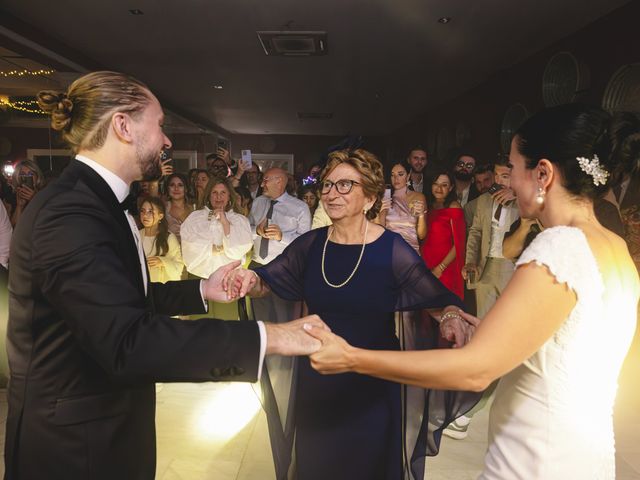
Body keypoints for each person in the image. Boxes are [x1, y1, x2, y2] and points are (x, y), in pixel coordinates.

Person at [5, 71, 324, 480]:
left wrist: (201, 290)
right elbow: (126, 340)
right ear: (122, 125)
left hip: (106, 429)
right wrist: (271, 336)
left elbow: (120, 303)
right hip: (76, 449)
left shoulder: (98, 202)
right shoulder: (70, 212)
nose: (167, 141)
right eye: (159, 125)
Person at [305, 104, 640, 480]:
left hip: (536, 460)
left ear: (542, 173)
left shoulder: (559, 247)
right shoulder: (613, 247)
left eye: (513, 169)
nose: (508, 182)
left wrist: (353, 358)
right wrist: (493, 331)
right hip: (585, 454)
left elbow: (476, 371)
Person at [225, 149, 479, 480]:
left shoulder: (390, 248)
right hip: (319, 379)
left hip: (373, 382)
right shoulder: (312, 244)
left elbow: (432, 296)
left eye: (345, 185)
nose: (331, 193)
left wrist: (449, 316)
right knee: (318, 464)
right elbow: (271, 280)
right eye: (328, 185)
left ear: (370, 197)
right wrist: (251, 279)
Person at [462, 159, 520, 317]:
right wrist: (470, 261)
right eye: (496, 175)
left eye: (505, 176)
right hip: (485, 264)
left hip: (512, 265)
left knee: (511, 318)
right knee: (483, 319)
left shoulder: (524, 200)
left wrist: (516, 193)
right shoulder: (484, 200)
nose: (499, 180)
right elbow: (475, 232)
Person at [420, 169, 466, 298]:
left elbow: (459, 243)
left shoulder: (454, 207)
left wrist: (441, 268)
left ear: (451, 187)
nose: (439, 188)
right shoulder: (427, 205)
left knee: (445, 309)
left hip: (445, 267)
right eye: (436, 184)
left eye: (444, 185)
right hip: (426, 264)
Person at [381, 162, 426, 252]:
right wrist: (380, 211)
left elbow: (421, 235)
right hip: (390, 249)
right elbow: (379, 229)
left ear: (408, 176)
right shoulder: (385, 196)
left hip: (411, 251)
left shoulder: (418, 197)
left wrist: (421, 215)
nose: (396, 178)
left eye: (400, 174)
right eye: (392, 175)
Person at [139, 196, 184, 283]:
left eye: (150, 212)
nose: (145, 215)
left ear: (160, 216)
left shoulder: (169, 238)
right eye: (142, 211)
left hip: (162, 288)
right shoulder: (137, 235)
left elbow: (178, 267)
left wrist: (163, 262)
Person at [10, 159, 44, 227]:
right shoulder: (13, 196)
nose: (27, 177)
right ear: (18, 177)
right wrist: (19, 206)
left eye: (30, 174)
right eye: (23, 174)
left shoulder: (45, 194)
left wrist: (35, 200)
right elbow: (13, 228)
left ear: (37, 176)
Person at [164, 172, 193, 242]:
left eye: (180, 185)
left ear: (186, 189)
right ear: (168, 189)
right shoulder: (162, 208)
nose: (176, 188)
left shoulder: (194, 208)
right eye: (172, 185)